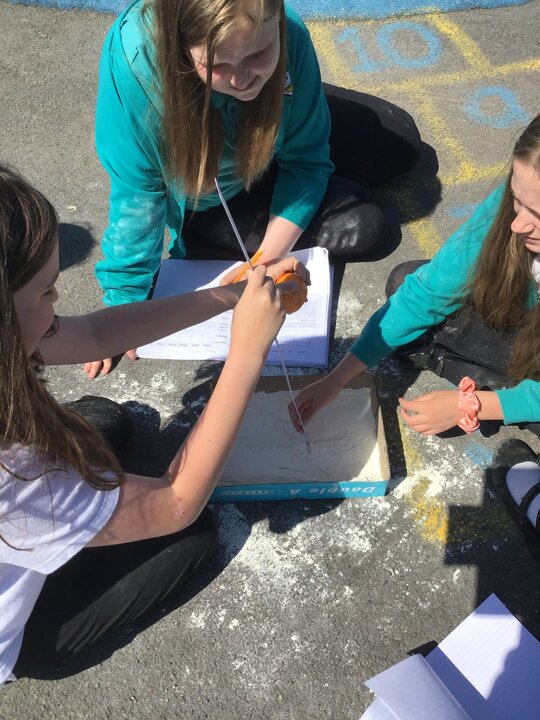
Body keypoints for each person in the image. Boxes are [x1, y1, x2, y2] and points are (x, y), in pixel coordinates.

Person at [0, 165, 307, 683]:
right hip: (20, 628)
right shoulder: (18, 473)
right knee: (192, 536)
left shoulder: (10, 337)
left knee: (102, 421)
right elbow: (177, 502)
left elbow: (96, 335)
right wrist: (247, 352)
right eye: (47, 291)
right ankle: (28, 650)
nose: (57, 303)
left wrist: (233, 296)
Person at [89, 0, 422, 377]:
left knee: (402, 139)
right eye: (219, 65)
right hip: (213, 196)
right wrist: (124, 303)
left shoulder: (287, 32)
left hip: (265, 130)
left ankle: (282, 102)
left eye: (257, 54)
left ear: (277, 21)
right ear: (181, 48)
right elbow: (139, 194)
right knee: (365, 224)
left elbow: (307, 161)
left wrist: (264, 259)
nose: (242, 79)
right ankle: (205, 238)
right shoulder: (136, 67)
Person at [289, 114, 540, 553]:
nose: (518, 224)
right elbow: (427, 293)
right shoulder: (516, 207)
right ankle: (502, 381)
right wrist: (337, 379)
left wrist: (473, 404)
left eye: (538, 214)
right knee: (405, 283)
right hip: (526, 331)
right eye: (517, 201)